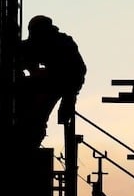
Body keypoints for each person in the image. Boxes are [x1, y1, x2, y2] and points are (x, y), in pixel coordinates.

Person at [16, 14, 87, 145]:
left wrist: (69, 98)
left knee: (38, 116)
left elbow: (75, 73)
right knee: (34, 114)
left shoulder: (58, 43)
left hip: (65, 83)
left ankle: (31, 137)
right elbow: (29, 51)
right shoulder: (51, 40)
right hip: (63, 82)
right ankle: (31, 135)